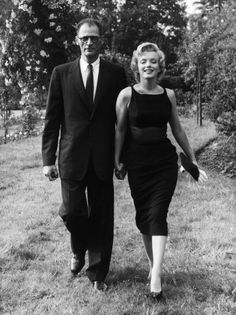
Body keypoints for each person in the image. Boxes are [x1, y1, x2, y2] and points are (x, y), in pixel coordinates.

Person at [115, 42, 207, 301]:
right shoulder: (125, 95)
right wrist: (117, 160)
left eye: (153, 61)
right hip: (137, 164)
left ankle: (156, 275)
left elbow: (177, 128)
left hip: (164, 163)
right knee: (144, 216)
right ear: (137, 65)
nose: (148, 65)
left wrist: (192, 158)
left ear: (159, 66)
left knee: (157, 213)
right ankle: (153, 265)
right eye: (144, 61)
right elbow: (120, 131)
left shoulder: (168, 95)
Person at [42, 18, 127, 291]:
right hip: (71, 157)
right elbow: (52, 119)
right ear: (76, 41)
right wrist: (47, 160)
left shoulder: (115, 74)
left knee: (101, 216)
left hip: (103, 157)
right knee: (72, 211)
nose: (89, 42)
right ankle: (79, 248)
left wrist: (121, 157)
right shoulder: (61, 73)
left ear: (101, 40)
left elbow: (122, 121)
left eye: (94, 38)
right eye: (84, 38)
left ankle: (97, 275)